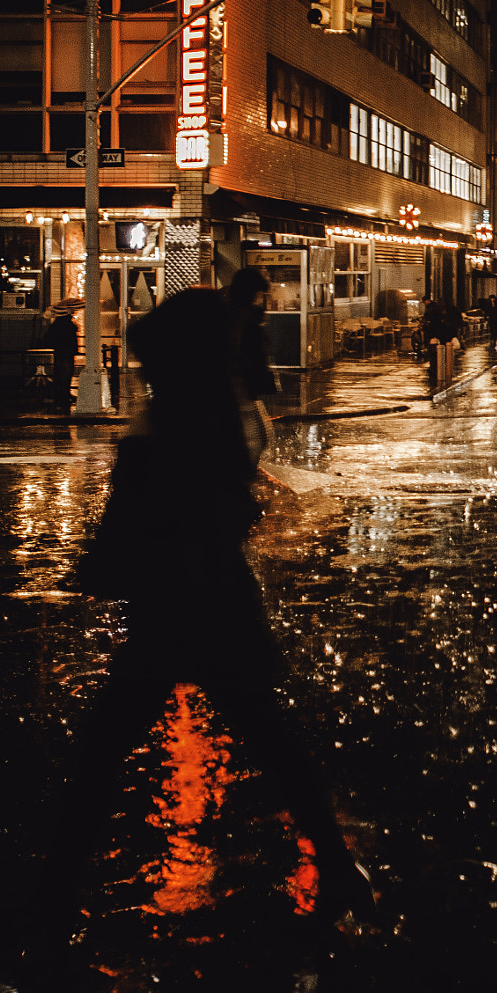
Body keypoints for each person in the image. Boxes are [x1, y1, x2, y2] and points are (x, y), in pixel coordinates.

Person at [44, 288, 375, 928]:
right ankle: (336, 868)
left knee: (101, 758)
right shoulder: (222, 423)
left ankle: (54, 890)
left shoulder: (160, 437)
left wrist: (98, 567)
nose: (141, 373)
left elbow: (123, 541)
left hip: (169, 617)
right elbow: (228, 512)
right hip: (222, 607)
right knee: (274, 745)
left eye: (147, 362)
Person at [225, 267, 277, 461]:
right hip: (239, 390)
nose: (259, 300)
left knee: (258, 438)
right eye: (257, 295)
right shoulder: (240, 318)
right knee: (257, 438)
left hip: (243, 389)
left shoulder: (241, 316)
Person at [39, 302, 80, 412]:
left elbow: (48, 340)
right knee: (66, 375)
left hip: (60, 354)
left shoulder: (56, 325)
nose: (73, 312)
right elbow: (70, 340)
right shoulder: (67, 325)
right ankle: (63, 397)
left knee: (60, 375)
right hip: (66, 354)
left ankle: (61, 397)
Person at [425, 295, 463, 391]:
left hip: (443, 334)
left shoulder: (438, 310)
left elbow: (432, 324)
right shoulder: (443, 310)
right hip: (445, 334)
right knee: (443, 352)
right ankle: (443, 370)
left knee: (439, 353)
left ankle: (440, 371)